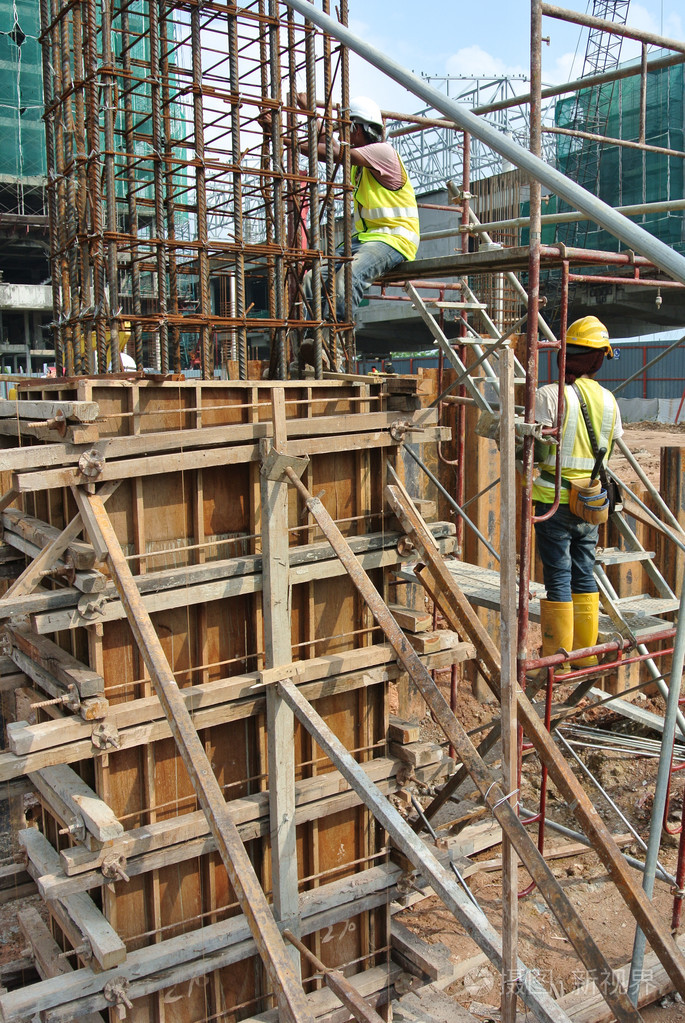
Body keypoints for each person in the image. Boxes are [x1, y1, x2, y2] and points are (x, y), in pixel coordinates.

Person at [532, 315, 623, 671]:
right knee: (584, 569)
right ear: (599, 360)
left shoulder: (549, 395)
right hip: (591, 500)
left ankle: (560, 658)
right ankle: (586, 653)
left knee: (558, 574)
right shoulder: (610, 401)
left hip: (553, 499)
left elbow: (536, 451)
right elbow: (608, 450)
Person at [299, 95, 420, 323]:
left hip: (393, 239)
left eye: (346, 128)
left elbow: (333, 151)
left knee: (349, 276)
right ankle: (310, 344)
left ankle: (333, 345)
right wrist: (280, 137)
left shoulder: (383, 152)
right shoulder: (361, 165)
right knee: (312, 280)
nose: (343, 135)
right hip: (365, 239)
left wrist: (313, 115)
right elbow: (323, 149)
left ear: (357, 128)